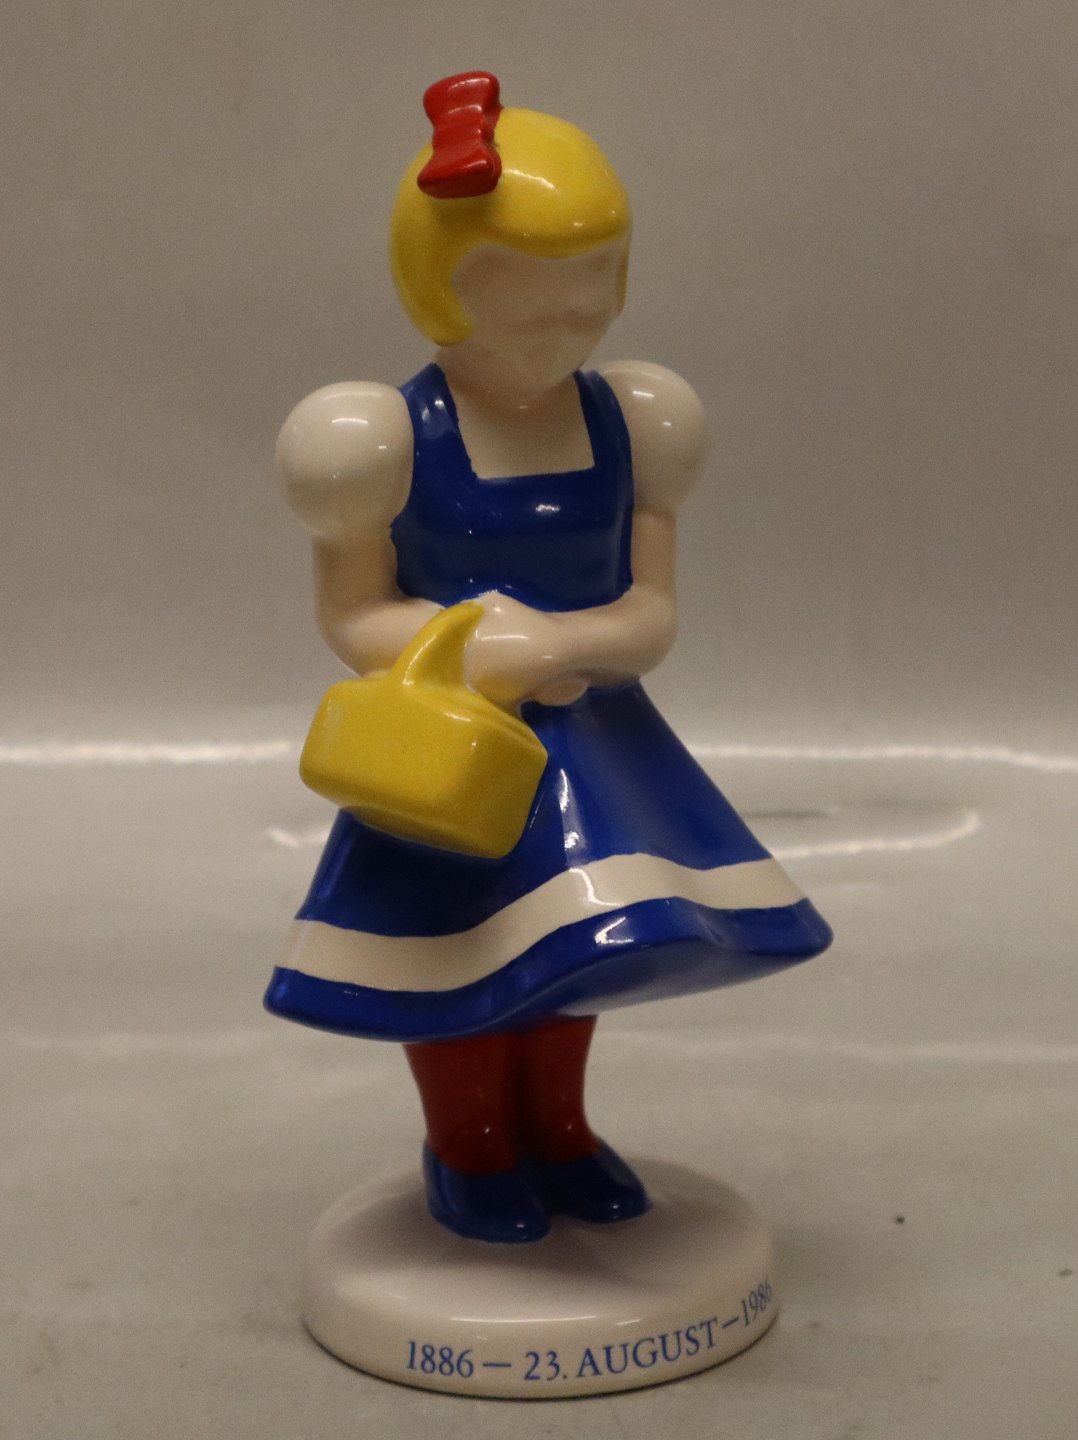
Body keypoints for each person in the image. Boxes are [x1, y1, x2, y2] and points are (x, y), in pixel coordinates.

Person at [266, 73, 832, 1244]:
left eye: (588, 306)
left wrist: (570, 643)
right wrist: (466, 649)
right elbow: (352, 616)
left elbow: (651, 614)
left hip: (595, 748)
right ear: (438, 291)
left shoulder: (637, 420)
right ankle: (469, 1142)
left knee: (577, 954)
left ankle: (558, 1127)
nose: (565, 338)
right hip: (458, 757)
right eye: (530, 316)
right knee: (459, 960)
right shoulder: (373, 439)